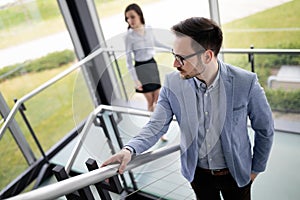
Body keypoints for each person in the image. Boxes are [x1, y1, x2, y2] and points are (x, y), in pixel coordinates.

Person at [102, 17, 274, 200]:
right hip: (198, 176)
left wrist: (256, 169)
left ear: (207, 56)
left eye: (181, 58)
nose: (175, 64)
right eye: (174, 56)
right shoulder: (172, 84)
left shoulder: (245, 83)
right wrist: (129, 149)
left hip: (238, 174)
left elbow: (265, 129)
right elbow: (156, 125)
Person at [124, 3, 169, 141]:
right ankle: (158, 131)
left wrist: (171, 48)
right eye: (127, 18)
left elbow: (155, 42)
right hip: (140, 69)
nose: (130, 20)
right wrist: (135, 80)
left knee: (158, 101)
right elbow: (128, 60)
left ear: (139, 15)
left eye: (132, 17)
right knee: (150, 104)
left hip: (151, 65)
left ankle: (160, 127)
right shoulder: (128, 36)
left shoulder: (149, 29)